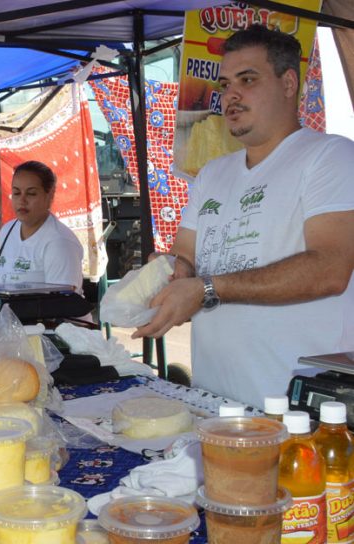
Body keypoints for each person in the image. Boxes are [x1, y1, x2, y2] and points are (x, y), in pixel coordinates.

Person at [134, 25, 354, 408]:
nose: (231, 95)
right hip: (214, 401)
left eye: (247, 79)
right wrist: (171, 272)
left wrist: (205, 289)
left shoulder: (330, 156)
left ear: (288, 83)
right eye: (225, 84)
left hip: (296, 411)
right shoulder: (213, 173)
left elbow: (330, 269)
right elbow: (185, 256)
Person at [0, 160, 84, 291]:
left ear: (50, 195)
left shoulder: (59, 242)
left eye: (31, 193)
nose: (22, 200)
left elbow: (63, 300)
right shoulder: (6, 231)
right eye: (17, 193)